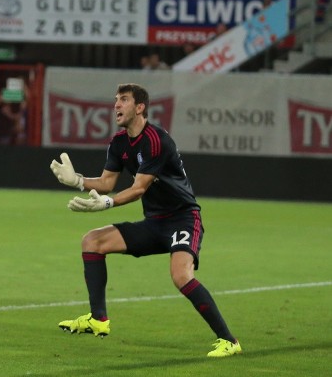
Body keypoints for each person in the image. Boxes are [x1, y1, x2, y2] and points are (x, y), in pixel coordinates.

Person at [50, 83, 241, 358]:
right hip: (155, 223)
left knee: (181, 275)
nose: (116, 105)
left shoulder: (156, 140)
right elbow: (106, 182)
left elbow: (139, 188)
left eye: (124, 100)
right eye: (116, 99)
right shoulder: (118, 142)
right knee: (92, 241)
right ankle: (98, 320)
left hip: (183, 218)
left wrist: (109, 202)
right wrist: (78, 181)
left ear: (140, 107)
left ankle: (229, 341)